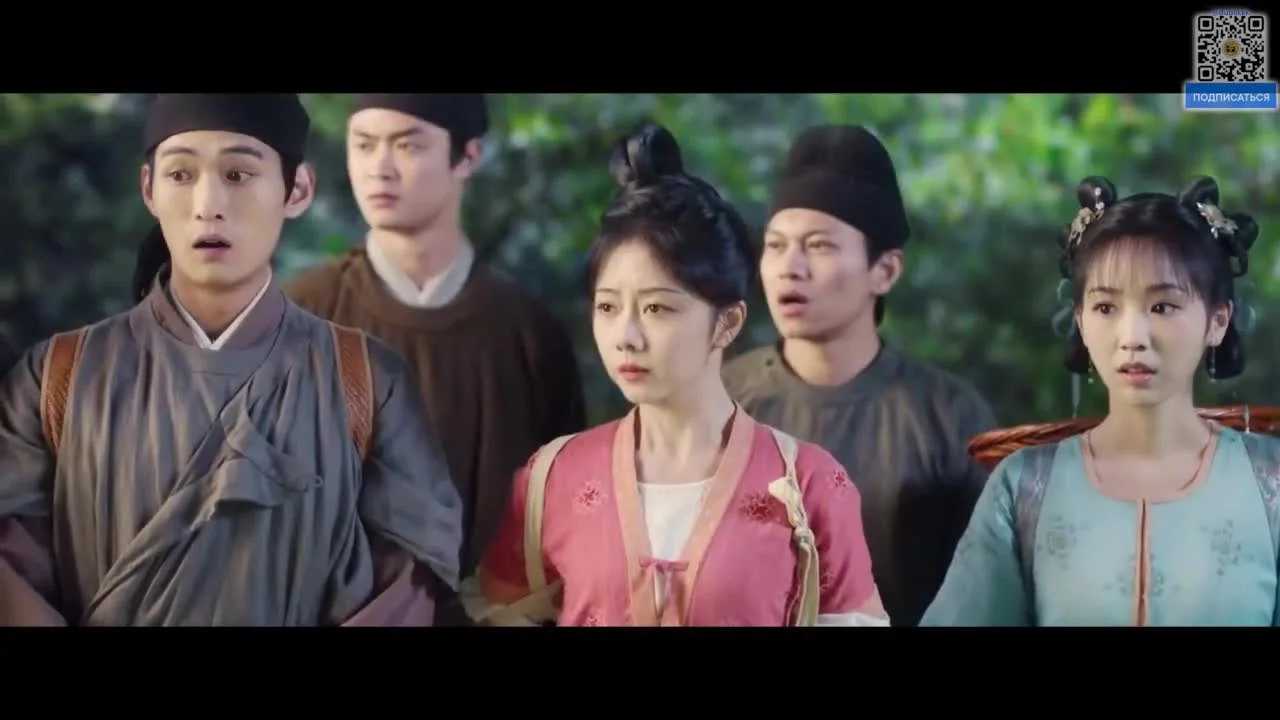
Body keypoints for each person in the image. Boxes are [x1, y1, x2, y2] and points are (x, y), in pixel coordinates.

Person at [0, 93, 463, 626]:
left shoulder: (367, 381)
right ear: (148, 189)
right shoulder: (55, 379)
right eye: (181, 175)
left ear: (297, 189)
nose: (208, 204)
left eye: (238, 175)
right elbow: (11, 571)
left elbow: (411, 577)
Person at [470, 123, 887, 627]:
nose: (626, 336)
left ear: (726, 323)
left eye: (657, 309)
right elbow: (496, 610)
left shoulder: (809, 485)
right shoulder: (552, 478)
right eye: (608, 307)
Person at [921, 175, 1277, 626]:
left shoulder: (1271, 483)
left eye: (1162, 307)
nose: (1132, 337)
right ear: (1081, 321)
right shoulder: (1025, 486)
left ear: (1218, 321)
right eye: (1106, 308)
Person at [286, 95, 586, 597]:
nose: (379, 168)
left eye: (407, 145)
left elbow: (570, 521)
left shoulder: (529, 334)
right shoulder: (301, 315)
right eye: (364, 145)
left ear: (467, 156)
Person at [723, 124, 997, 626]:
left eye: (819, 246)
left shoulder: (949, 417)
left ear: (885, 271)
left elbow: (988, 593)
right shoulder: (719, 401)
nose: (790, 267)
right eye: (776, 246)